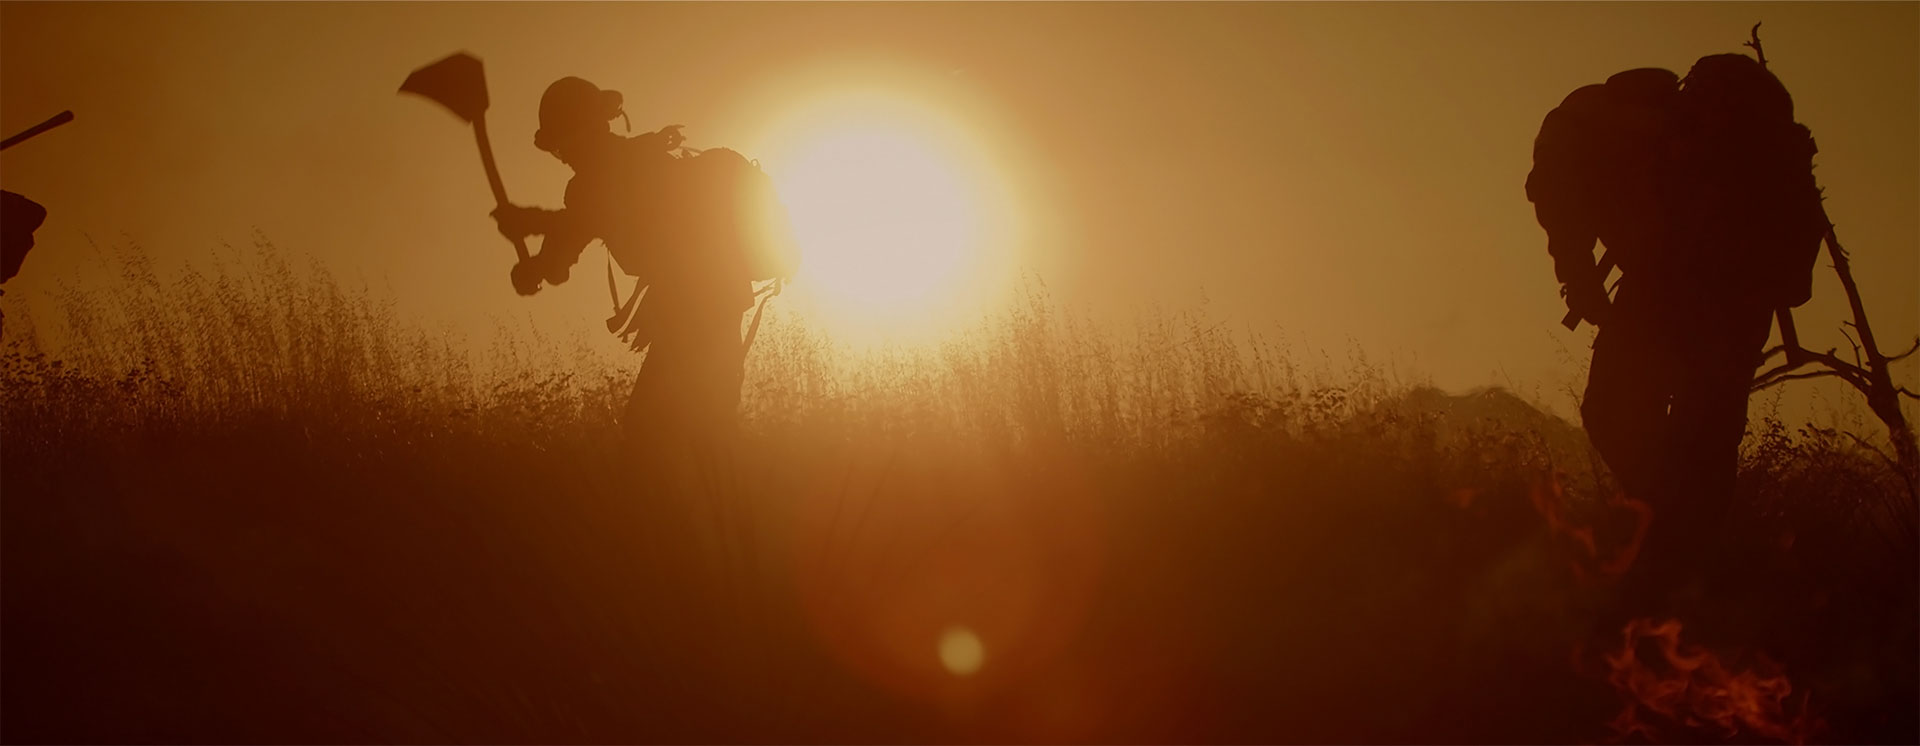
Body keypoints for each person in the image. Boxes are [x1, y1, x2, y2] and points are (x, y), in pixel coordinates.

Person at [1526, 53, 1829, 607]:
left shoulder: (1606, 141)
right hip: (1732, 302)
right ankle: (1687, 558)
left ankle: (1674, 554)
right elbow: (1792, 282)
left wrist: (1579, 280)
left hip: (1669, 291)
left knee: (1629, 418)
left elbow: (1565, 215)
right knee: (1704, 437)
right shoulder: (1666, 139)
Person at [491, 76, 794, 469]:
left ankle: (716, 515)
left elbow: (592, 219)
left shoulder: (626, 168)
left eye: (563, 141)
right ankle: (734, 512)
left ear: (586, 129)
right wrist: (531, 267)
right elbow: (561, 261)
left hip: (700, 306)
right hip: (703, 306)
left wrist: (528, 225)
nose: (562, 155)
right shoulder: (611, 173)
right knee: (701, 430)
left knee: (658, 432)